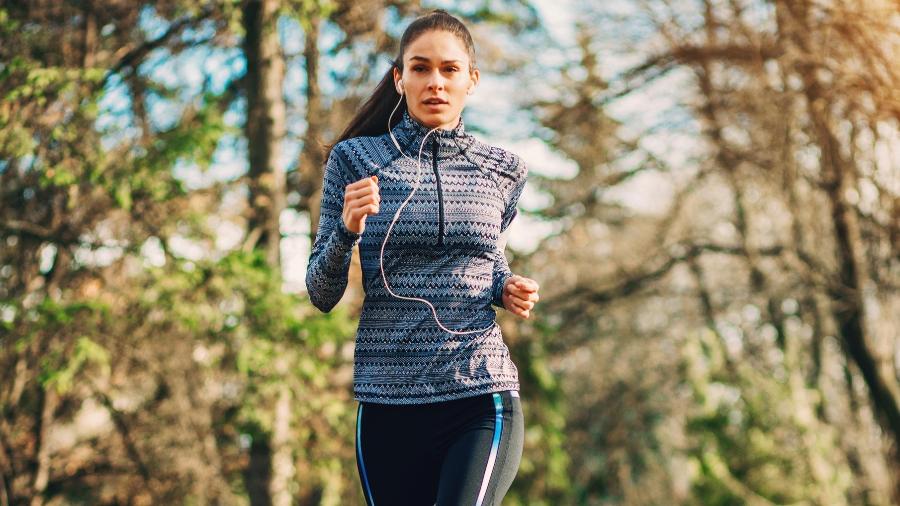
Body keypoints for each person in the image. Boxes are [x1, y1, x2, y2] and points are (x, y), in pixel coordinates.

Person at [305, 9, 540, 505]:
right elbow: (320, 293)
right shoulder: (354, 161)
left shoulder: (503, 170)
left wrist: (506, 286)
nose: (436, 82)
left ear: (471, 80)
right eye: (420, 68)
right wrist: (346, 231)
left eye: (450, 69)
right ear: (399, 78)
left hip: (478, 389)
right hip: (389, 398)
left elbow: (486, 262)